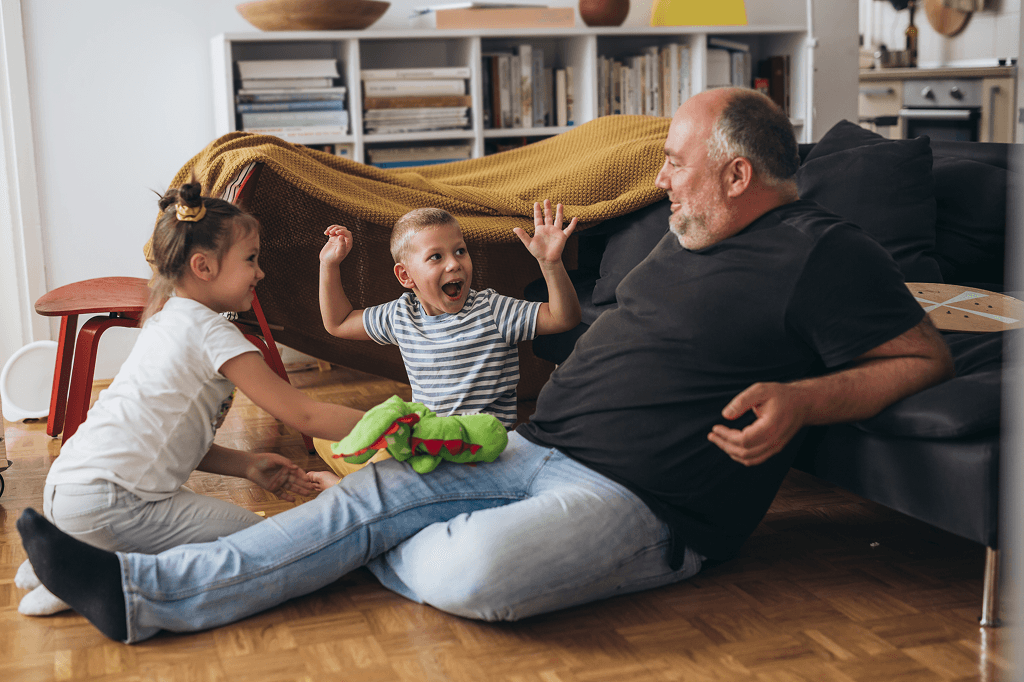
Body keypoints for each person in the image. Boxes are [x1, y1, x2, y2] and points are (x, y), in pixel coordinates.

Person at [17, 88, 954, 644]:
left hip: (647, 503)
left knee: (470, 577)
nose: (660, 176)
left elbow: (922, 353)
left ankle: (343, 547)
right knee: (367, 498)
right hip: (532, 446)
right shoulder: (688, 236)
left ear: (740, 175)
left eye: (674, 161)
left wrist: (802, 397)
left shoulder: (825, 254)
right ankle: (140, 597)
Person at [15, 181, 366, 617]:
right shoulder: (214, 333)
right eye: (251, 260)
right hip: (110, 504)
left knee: (223, 538)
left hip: (69, 492)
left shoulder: (166, 322)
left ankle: (69, 557)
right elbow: (305, 414)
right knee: (267, 545)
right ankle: (93, 576)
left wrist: (248, 465)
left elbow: (173, 436)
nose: (260, 272)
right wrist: (395, 419)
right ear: (203, 266)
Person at [317, 201, 580, 429]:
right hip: (432, 440)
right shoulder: (400, 316)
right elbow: (338, 323)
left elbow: (563, 318)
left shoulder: (493, 310)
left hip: (489, 444)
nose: (454, 263)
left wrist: (550, 264)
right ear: (405, 276)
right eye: (436, 257)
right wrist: (329, 265)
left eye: (460, 251)